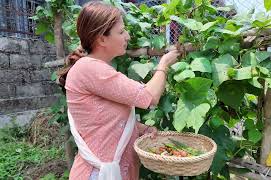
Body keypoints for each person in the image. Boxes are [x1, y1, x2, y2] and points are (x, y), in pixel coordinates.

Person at [57, 1, 180, 180]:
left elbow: (102, 121)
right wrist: (163, 65)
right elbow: (149, 97)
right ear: (101, 39)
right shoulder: (90, 69)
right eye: (121, 32)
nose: (128, 36)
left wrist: (139, 128)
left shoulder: (94, 68)